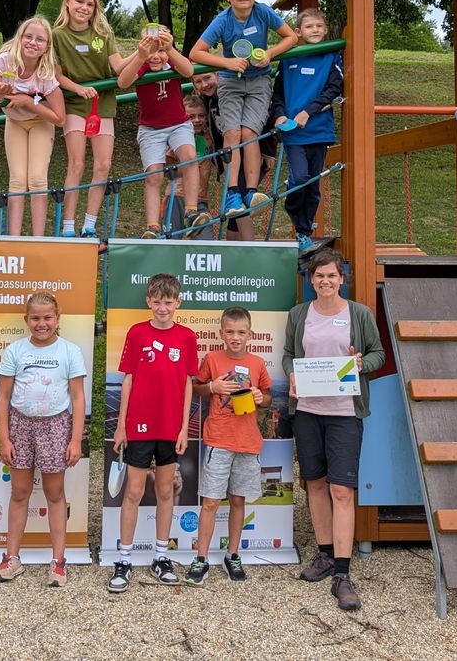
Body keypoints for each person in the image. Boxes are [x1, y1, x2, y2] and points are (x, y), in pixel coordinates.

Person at [283, 248, 385, 611]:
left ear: (342, 279)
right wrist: (292, 374)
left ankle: (342, 571)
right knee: (315, 483)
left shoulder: (358, 313)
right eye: (319, 276)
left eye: (332, 275)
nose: (325, 281)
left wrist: (361, 362)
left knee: (342, 489)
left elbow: (378, 354)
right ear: (310, 281)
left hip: (344, 412)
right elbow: (288, 354)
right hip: (308, 411)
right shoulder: (299, 315)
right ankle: (324, 553)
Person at [108, 273, 198, 592]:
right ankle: (125, 560)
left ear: (178, 303)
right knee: (133, 492)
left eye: (168, 302)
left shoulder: (187, 337)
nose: (162, 308)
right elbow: (128, 379)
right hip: (140, 425)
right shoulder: (137, 333)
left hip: (170, 427)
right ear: (149, 301)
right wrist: (121, 424)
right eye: (157, 301)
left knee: (164, 491)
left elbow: (188, 382)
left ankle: (161, 557)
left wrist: (184, 426)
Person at [0, 291, 86, 587]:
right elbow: (3, 397)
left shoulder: (69, 351)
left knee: (55, 493)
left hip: (56, 427)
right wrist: (4, 438)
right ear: (26, 320)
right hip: (20, 426)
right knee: (19, 492)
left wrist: (75, 440)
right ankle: (12, 558)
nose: (42, 323)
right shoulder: (15, 351)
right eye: (35, 318)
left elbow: (78, 398)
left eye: (48, 317)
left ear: (57, 319)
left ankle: (58, 562)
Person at [189, 0, 296, 217]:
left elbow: (290, 37)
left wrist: (269, 53)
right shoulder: (222, 20)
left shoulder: (263, 13)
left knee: (249, 133)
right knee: (232, 134)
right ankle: (232, 192)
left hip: (258, 81)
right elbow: (196, 53)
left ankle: (251, 190)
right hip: (230, 81)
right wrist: (227, 62)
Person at [186, 307, 272, 585]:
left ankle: (232, 554)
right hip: (218, 440)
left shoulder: (258, 363)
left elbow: (269, 397)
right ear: (221, 333)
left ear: (250, 334)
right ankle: (201, 559)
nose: (235, 337)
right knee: (210, 501)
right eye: (230, 332)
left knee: (238, 500)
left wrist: (261, 397)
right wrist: (211, 387)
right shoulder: (212, 358)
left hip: (247, 443)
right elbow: (196, 387)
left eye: (241, 332)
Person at [52, 0, 135, 239]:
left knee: (103, 164)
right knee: (76, 163)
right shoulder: (57, 36)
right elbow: (57, 75)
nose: (84, 8)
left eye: (90, 4)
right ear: (67, 1)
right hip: (75, 104)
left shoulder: (103, 34)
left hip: (102, 104)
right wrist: (77, 88)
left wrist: (142, 52)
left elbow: (120, 67)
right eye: (79, 1)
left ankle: (89, 224)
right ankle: (67, 225)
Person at [116, 26, 210, 239]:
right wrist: (140, 57)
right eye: (152, 51)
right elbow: (123, 82)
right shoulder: (142, 65)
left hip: (179, 124)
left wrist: (172, 51)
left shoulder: (172, 62)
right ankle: (152, 226)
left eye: (161, 50)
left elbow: (189, 71)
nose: (156, 57)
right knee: (154, 174)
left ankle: (191, 210)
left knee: (189, 157)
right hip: (150, 129)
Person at [0, 17, 65, 235]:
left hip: (40, 123)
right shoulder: (4, 62)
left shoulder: (46, 72)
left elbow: (60, 118)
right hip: (14, 122)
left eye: (40, 39)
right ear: (19, 39)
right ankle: (14, 238)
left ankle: (38, 238)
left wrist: (29, 102)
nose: (32, 42)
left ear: (46, 47)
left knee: (38, 178)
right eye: (28, 36)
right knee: (17, 180)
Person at [273, 8, 342, 254]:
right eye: (309, 26)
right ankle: (292, 206)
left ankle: (303, 234)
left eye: (319, 26)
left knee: (312, 187)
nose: (315, 30)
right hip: (293, 133)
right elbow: (278, 93)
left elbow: (333, 89)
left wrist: (308, 112)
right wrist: (280, 114)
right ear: (298, 32)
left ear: (325, 30)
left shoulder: (331, 56)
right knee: (300, 179)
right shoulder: (289, 56)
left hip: (319, 130)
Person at [192, 70, 271, 241]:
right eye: (198, 81)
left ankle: (250, 249)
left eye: (207, 78)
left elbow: (260, 121)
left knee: (240, 204)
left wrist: (268, 151)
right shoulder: (207, 101)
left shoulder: (235, 95)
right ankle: (234, 252)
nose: (205, 84)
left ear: (219, 76)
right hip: (230, 162)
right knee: (234, 210)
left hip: (250, 158)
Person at [162, 94, 215, 239]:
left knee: (205, 241)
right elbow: (167, 172)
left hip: (201, 199)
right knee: (171, 241)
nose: (197, 120)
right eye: (191, 117)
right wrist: (190, 167)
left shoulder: (209, 137)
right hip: (176, 196)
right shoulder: (177, 140)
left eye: (201, 116)